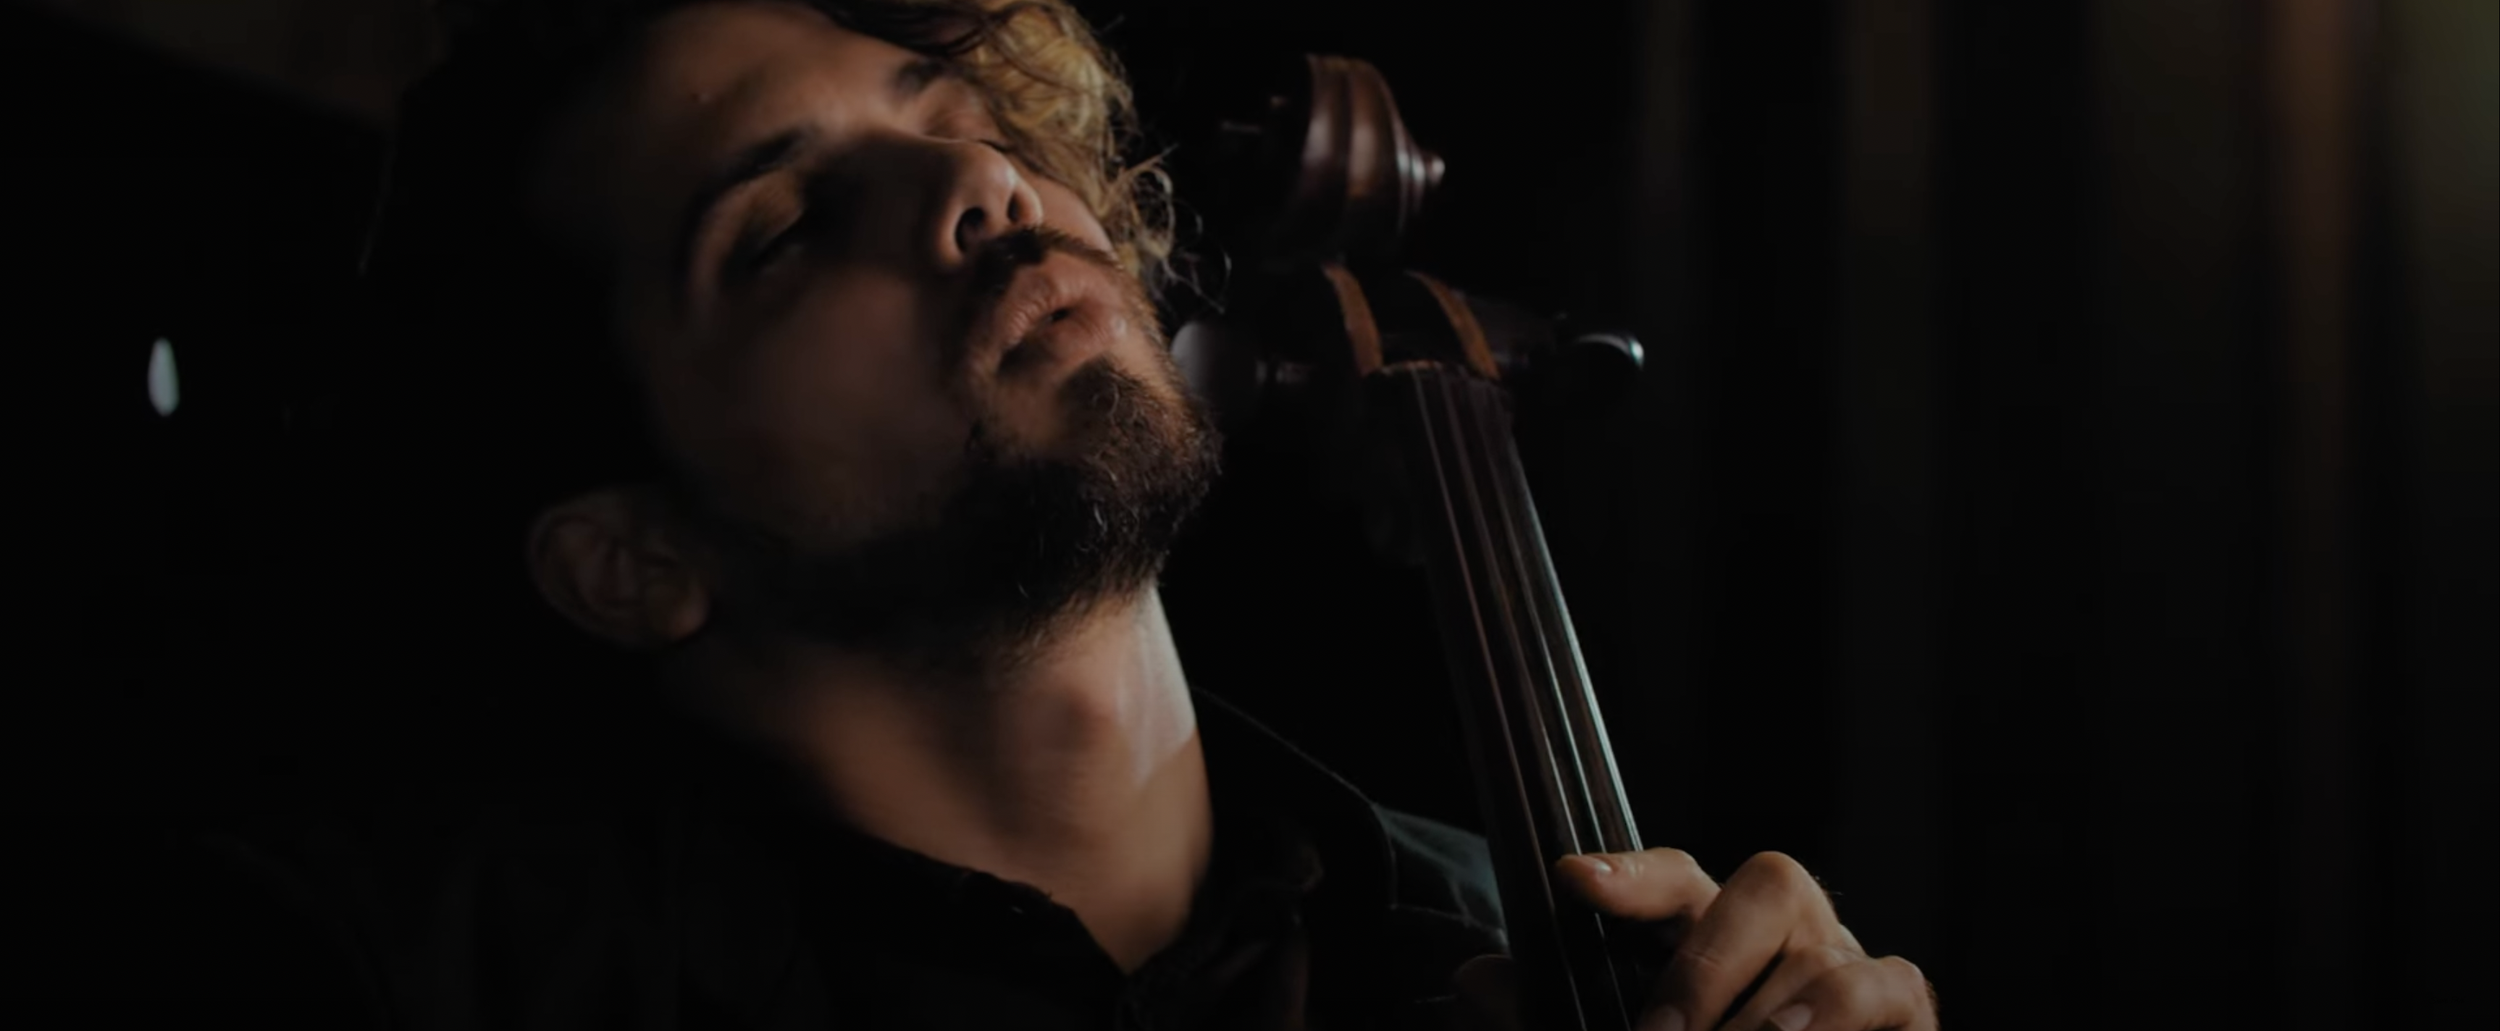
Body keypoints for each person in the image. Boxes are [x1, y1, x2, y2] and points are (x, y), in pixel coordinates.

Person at [181, 1, 1940, 1028]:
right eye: (782, 230)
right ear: (634, 556)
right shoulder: (369, 976)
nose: (976, 183)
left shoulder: (1518, 941)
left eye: (949, 122)